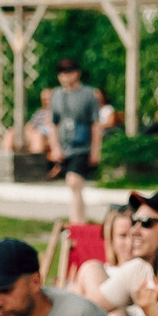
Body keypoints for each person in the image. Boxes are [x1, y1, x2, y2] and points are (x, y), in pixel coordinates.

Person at [49, 58, 103, 222]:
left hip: (82, 146)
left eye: (69, 72)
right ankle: (80, 220)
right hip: (65, 146)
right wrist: (55, 147)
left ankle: (76, 221)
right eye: (62, 73)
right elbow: (52, 124)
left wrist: (95, 150)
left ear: (77, 73)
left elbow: (96, 124)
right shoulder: (56, 95)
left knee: (73, 182)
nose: (65, 76)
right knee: (74, 187)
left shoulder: (88, 95)